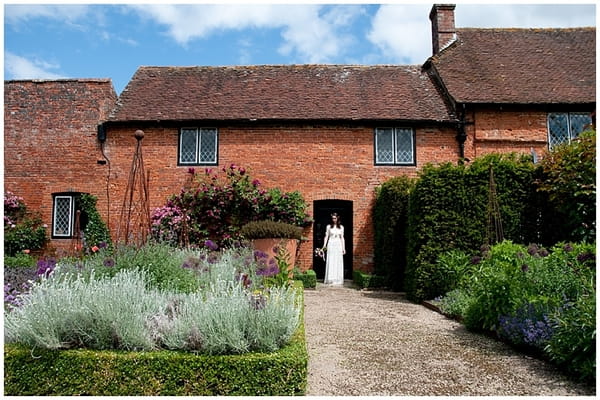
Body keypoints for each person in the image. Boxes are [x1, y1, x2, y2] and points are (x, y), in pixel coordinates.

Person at [323, 213, 345, 285]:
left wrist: (343, 248)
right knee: (331, 260)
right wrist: (324, 245)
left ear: (337, 218)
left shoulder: (341, 227)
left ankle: (338, 279)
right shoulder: (329, 227)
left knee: (338, 260)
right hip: (331, 243)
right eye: (333, 218)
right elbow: (326, 236)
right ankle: (330, 278)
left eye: (335, 218)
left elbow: (342, 238)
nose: (334, 219)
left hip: (338, 244)